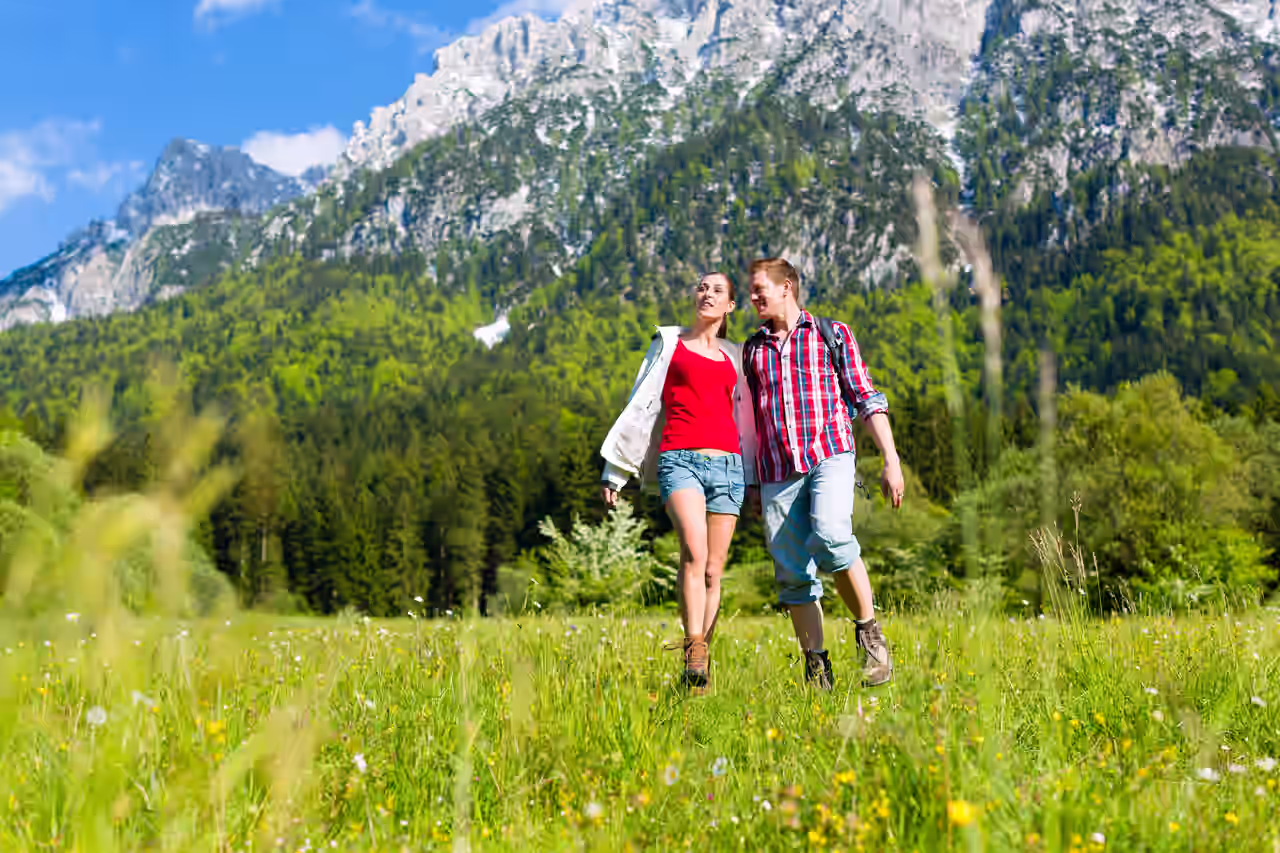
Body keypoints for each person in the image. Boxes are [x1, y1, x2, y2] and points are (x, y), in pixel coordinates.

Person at [741, 257, 903, 689]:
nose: (753, 297)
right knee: (792, 572)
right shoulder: (752, 349)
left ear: (787, 287)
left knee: (831, 535)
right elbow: (751, 424)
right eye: (751, 290)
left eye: (760, 289)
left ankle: (870, 636)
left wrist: (891, 458)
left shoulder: (831, 334)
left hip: (829, 454)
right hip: (776, 469)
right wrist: (753, 482)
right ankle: (816, 668)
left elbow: (866, 397)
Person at [599, 272, 758, 691]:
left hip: (729, 467)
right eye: (702, 287)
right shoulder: (669, 344)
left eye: (717, 290)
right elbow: (641, 405)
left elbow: (750, 420)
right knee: (694, 549)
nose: (707, 294)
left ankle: (700, 661)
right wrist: (616, 470)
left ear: (730, 307)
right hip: (679, 459)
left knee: (714, 570)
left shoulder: (736, 357)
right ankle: (694, 645)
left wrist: (757, 480)